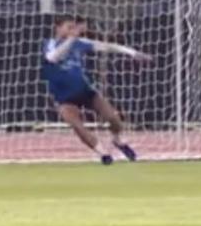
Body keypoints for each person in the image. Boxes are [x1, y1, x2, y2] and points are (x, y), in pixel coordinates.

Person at [42, 15, 151, 165]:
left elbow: (108, 46)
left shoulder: (80, 43)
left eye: (74, 28)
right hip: (64, 96)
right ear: (58, 28)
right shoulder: (51, 44)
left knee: (113, 118)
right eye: (69, 27)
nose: (72, 31)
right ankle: (103, 153)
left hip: (85, 90)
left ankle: (118, 140)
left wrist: (133, 53)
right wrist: (71, 40)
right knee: (77, 126)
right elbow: (52, 58)